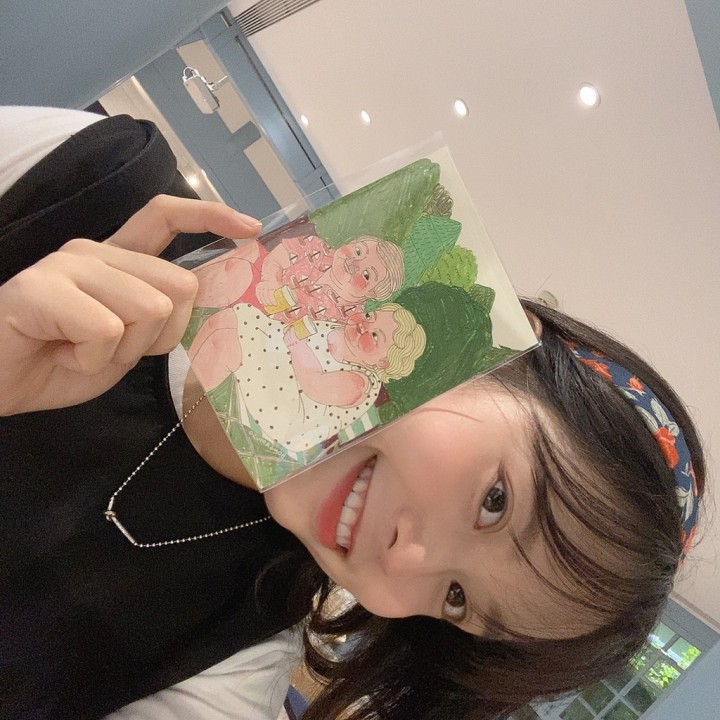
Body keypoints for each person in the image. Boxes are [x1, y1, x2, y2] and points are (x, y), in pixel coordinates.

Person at [0, 107, 706, 720]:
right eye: (495, 501)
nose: (406, 562)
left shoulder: (224, 671)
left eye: (456, 599)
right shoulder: (98, 178)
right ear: (492, 349)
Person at [187, 301, 425, 456]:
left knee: (224, 342)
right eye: (370, 315)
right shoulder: (340, 330)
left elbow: (314, 385)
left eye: (375, 335)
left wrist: (296, 346)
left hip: (288, 408)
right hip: (281, 365)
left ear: (382, 363)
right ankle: (189, 381)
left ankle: (189, 395)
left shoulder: (360, 383)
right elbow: (292, 334)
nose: (365, 325)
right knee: (226, 320)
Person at [191, 230, 405, 322]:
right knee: (237, 269)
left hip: (269, 332)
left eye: (366, 275)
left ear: (374, 294)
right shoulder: (316, 247)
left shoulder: (350, 317)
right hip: (257, 287)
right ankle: (188, 301)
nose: (354, 263)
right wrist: (271, 280)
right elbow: (277, 257)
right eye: (358, 251)